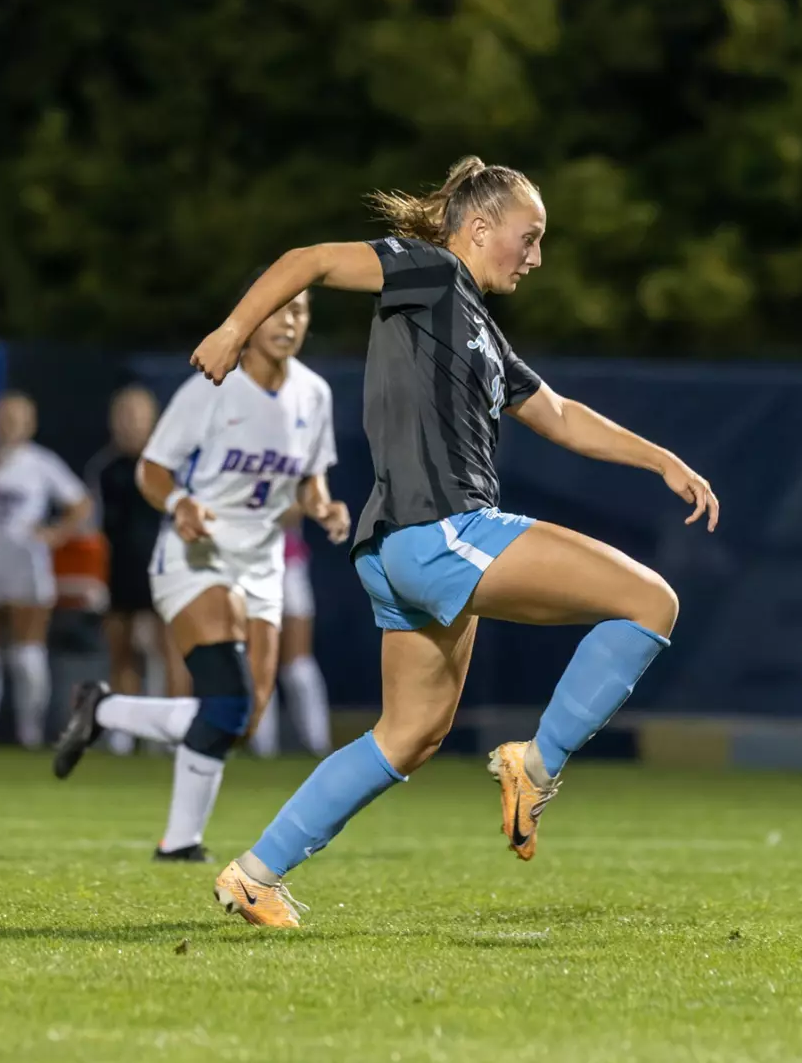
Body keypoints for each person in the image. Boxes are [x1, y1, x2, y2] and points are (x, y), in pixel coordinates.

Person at [186, 157, 719, 928]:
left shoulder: (479, 328)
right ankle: (533, 767)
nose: (535, 258)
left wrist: (661, 459)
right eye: (528, 237)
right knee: (650, 600)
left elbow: (560, 415)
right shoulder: (431, 271)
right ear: (479, 228)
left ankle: (255, 874)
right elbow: (310, 262)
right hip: (442, 531)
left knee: (407, 736)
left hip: (398, 549)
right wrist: (235, 329)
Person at [52, 281, 351, 863]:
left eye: (300, 312)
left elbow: (311, 478)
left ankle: (103, 710)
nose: (289, 322)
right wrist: (181, 503)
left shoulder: (313, 394)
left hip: (263, 562)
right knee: (227, 700)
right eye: (278, 311)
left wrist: (323, 506)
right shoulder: (213, 388)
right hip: (196, 556)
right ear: (253, 317)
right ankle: (179, 842)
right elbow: (152, 472)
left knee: (240, 720)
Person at [0, 392, 92, 749]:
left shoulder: (41, 463)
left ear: (30, 424)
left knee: (26, 652)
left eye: (17, 418)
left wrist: (55, 534)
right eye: (3, 417)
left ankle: (29, 735)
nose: (9, 425)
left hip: (26, 564)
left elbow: (80, 503)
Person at [84, 386, 188, 752]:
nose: (129, 424)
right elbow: (96, 524)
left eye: (137, 416)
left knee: (172, 651)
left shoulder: (169, 465)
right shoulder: (104, 468)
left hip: (165, 569)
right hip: (122, 569)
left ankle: (174, 735)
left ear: (152, 420)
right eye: (122, 416)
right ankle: (124, 736)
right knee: (121, 650)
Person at [248, 488, 332, 759]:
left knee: (298, 664)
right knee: (261, 663)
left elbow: (302, 505)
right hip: (248, 568)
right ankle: (263, 749)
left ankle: (319, 744)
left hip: (290, 565)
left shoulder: (293, 453)